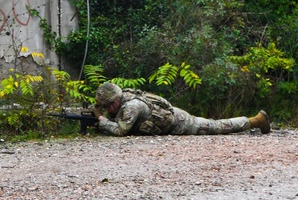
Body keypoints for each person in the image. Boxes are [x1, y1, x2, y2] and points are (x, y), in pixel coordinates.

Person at [92, 82, 272, 136]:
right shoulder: (124, 99)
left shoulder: (132, 106)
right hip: (171, 117)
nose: (108, 110)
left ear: (115, 101)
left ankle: (255, 121)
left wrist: (101, 120)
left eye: (108, 107)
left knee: (216, 127)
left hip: (180, 124)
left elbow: (121, 130)